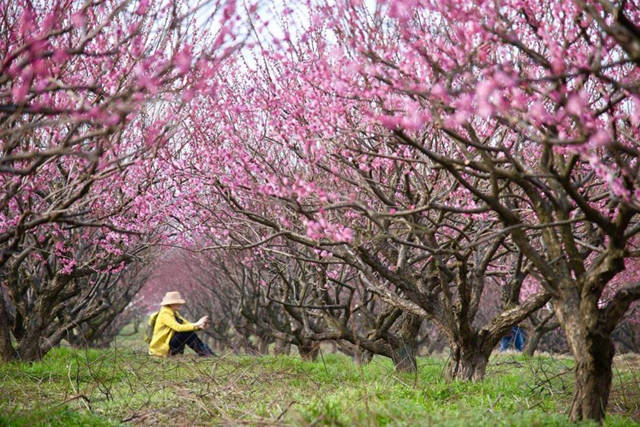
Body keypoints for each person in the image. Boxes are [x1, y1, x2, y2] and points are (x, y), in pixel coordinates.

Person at [148, 291, 216, 357]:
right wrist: (197, 323)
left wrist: (199, 326)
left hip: (169, 344)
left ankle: (205, 352)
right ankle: (205, 353)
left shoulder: (174, 313)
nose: (180, 305)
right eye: (178, 303)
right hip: (161, 349)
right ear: (172, 304)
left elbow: (187, 324)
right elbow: (178, 328)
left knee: (188, 332)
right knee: (185, 332)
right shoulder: (165, 313)